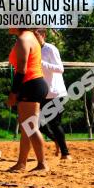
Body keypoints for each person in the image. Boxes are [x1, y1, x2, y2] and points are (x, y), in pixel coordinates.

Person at [6, 28, 49, 172]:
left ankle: (42, 164)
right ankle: (21, 163)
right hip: (35, 83)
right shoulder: (30, 36)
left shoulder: (23, 39)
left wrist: (13, 93)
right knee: (27, 127)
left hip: (30, 84)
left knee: (30, 127)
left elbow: (21, 70)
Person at [34, 28, 70, 160]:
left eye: (36, 35)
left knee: (55, 123)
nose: (33, 38)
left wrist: (41, 63)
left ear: (43, 35)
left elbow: (60, 69)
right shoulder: (33, 50)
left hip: (56, 93)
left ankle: (65, 153)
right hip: (42, 93)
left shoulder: (50, 49)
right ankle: (57, 141)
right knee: (38, 124)